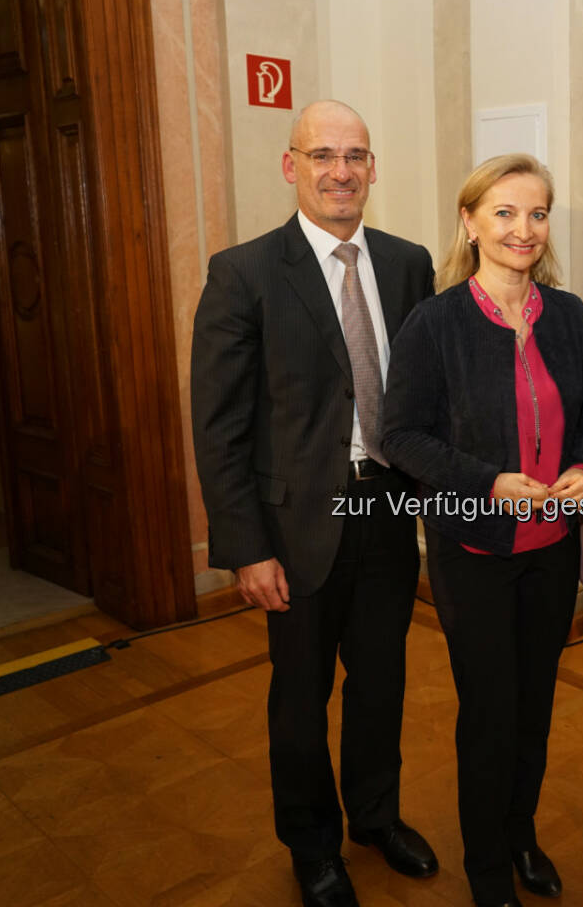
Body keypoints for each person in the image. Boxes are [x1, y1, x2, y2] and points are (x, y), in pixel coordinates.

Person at [191, 100, 439, 907]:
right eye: (324, 154)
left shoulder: (408, 263)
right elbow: (220, 427)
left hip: (387, 516)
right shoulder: (244, 272)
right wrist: (246, 547)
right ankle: (312, 843)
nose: (342, 171)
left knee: (382, 681)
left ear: (374, 167)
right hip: (294, 531)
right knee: (300, 698)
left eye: (356, 155)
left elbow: (422, 398)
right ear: (291, 165)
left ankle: (375, 815)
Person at [382, 154, 583, 907]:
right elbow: (399, 436)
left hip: (552, 550)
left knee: (535, 707)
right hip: (474, 551)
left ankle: (521, 836)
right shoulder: (435, 321)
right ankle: (487, 869)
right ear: (470, 222)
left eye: (537, 213)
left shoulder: (567, 314)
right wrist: (488, 482)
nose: (523, 229)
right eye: (504, 213)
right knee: (491, 715)